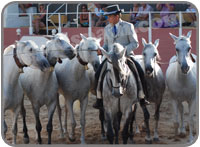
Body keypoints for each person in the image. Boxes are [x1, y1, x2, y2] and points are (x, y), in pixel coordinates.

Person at [93, 4, 149, 109]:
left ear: (117, 16)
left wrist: (122, 52)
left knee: (139, 72)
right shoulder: (107, 28)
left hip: (126, 57)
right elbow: (106, 44)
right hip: (110, 58)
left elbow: (135, 43)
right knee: (97, 74)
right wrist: (102, 50)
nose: (108, 18)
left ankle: (142, 97)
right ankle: (99, 99)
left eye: (109, 16)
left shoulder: (128, 26)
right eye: (107, 16)